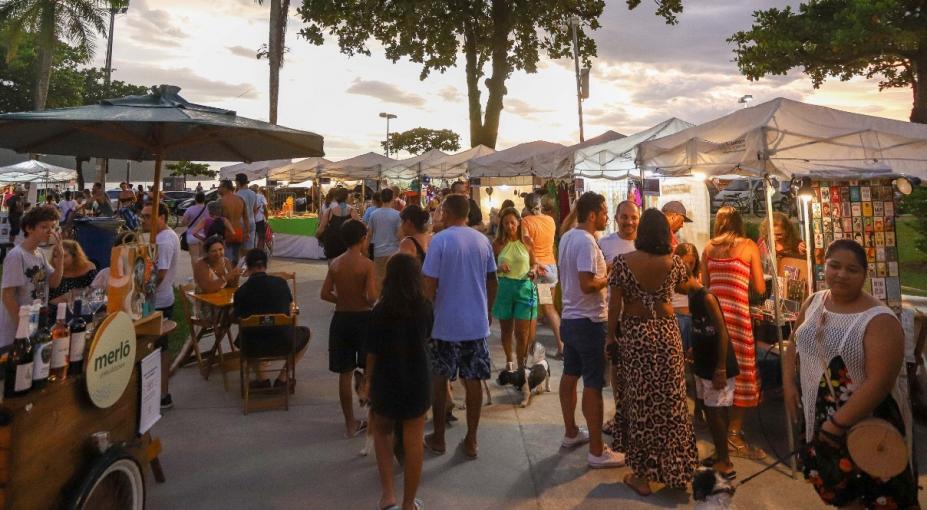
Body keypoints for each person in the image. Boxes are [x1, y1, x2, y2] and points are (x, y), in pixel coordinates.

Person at [785, 239, 916, 509]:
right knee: (840, 494)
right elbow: (793, 342)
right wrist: (788, 382)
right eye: (835, 266)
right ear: (825, 266)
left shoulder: (878, 319)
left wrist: (836, 425)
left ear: (864, 275)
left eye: (852, 269)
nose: (841, 274)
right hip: (819, 418)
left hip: (861, 424)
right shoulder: (814, 302)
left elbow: (880, 383)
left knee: (873, 495)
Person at [607, 208, 698, 494]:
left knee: (641, 402)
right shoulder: (674, 264)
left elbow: (614, 307)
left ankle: (642, 477)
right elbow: (689, 286)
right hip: (667, 334)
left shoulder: (622, 263)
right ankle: (677, 471)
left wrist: (611, 337)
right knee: (672, 403)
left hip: (637, 334)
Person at [422, 194, 497, 458]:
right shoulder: (482, 241)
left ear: (446, 212)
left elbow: (429, 284)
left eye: (441, 210)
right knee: (473, 379)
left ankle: (439, 437)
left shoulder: (439, 241)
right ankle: (471, 439)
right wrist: (487, 310)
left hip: (445, 323)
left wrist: (426, 317)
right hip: (475, 323)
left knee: (440, 379)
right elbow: (492, 281)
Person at [557, 192, 625, 469]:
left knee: (570, 375)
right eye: (605, 211)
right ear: (593, 214)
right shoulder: (585, 241)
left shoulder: (568, 237)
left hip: (571, 319)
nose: (608, 217)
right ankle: (597, 450)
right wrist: (610, 275)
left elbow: (581, 277)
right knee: (593, 385)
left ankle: (571, 432)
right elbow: (587, 284)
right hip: (589, 321)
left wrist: (603, 269)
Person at [366, 253, 432, 510]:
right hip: (417, 378)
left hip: (386, 377)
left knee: (382, 432)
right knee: (414, 440)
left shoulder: (380, 310)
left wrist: (368, 380)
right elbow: (428, 338)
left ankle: (388, 495)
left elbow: (372, 350)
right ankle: (408, 503)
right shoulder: (425, 307)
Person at [702, 206, 767, 459]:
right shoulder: (749, 246)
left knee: (719, 373)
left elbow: (707, 286)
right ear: (739, 223)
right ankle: (734, 433)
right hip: (738, 319)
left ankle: (721, 431)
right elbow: (760, 286)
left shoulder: (708, 248)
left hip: (715, 317)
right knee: (742, 374)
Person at [678, 242, 738, 480]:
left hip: (717, 364)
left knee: (717, 412)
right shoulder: (692, 297)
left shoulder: (706, 297)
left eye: (677, 284)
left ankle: (726, 461)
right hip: (703, 361)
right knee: (712, 412)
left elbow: (722, 332)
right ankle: (719, 454)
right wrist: (694, 347)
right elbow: (701, 327)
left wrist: (721, 367)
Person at [320, 219, 378, 437]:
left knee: (344, 374)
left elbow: (325, 293)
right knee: (370, 371)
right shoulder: (367, 265)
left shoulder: (335, 263)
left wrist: (343, 299)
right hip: (364, 320)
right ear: (363, 239)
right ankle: (373, 420)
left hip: (341, 319)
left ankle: (350, 423)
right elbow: (371, 297)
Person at [234, 249, 310, 391]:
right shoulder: (280, 283)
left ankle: (262, 379)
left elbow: (237, 318)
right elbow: (289, 310)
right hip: (283, 343)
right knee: (306, 333)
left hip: (252, 347)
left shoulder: (241, 292)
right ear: (265, 265)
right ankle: (283, 377)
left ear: (247, 267)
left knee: (248, 333)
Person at [0, 206, 63, 347]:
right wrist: (24, 331)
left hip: (35, 326)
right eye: (44, 227)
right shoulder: (17, 256)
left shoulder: (39, 253)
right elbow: (7, 296)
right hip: (15, 334)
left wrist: (60, 260)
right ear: (29, 228)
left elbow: (54, 283)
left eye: (53, 227)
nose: (50, 231)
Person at [492, 208, 537, 385]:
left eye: (512, 222)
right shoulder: (498, 244)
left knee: (522, 332)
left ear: (518, 223)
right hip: (504, 288)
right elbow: (489, 268)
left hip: (524, 288)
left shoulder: (526, 241)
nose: (510, 226)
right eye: (506, 223)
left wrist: (533, 271)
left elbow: (534, 263)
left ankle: (522, 367)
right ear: (502, 225)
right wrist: (498, 268)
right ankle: (509, 361)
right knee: (506, 329)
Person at [141, 202, 180, 409]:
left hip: (159, 301)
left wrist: (142, 292)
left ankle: (161, 393)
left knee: (156, 349)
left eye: (149, 216)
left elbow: (161, 273)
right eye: (143, 216)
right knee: (159, 348)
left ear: (162, 217)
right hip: (163, 299)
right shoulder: (168, 235)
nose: (144, 220)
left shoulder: (164, 241)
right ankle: (161, 393)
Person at [521, 193, 563, 358]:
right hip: (550, 269)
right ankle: (562, 346)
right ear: (540, 205)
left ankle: (530, 348)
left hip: (537, 269)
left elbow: (528, 246)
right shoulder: (550, 221)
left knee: (532, 310)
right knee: (549, 307)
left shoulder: (526, 222)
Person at [368, 188, 402, 289]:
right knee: (393, 280)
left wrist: (365, 249)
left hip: (378, 251)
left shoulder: (374, 214)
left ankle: (380, 301)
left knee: (379, 280)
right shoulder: (397, 215)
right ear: (393, 198)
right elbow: (400, 235)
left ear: (381, 198)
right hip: (394, 251)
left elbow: (369, 234)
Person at [317, 187, 357, 261]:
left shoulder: (329, 211)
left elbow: (321, 229)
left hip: (332, 244)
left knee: (333, 268)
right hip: (347, 244)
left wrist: (318, 235)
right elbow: (358, 228)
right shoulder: (352, 210)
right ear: (346, 198)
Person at [218, 179, 248, 262]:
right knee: (236, 258)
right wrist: (247, 232)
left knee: (225, 259)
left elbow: (218, 219)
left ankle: (229, 274)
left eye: (219, 187)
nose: (218, 189)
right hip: (238, 231)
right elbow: (246, 218)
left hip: (226, 232)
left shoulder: (221, 201)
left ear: (225, 188)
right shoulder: (240, 200)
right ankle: (235, 273)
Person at [182, 192, 209, 271]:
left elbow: (184, 222)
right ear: (204, 199)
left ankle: (196, 276)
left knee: (194, 257)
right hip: (204, 236)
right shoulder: (208, 209)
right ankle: (203, 274)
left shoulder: (190, 209)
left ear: (195, 199)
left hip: (192, 235)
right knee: (203, 256)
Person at [235, 173, 258, 251]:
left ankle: (242, 262)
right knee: (249, 248)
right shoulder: (253, 193)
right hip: (252, 221)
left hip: (241, 223)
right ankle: (248, 262)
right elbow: (255, 209)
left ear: (238, 182)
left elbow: (237, 212)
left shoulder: (237, 195)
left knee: (240, 249)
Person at [252, 185, 268, 251]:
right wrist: (267, 218)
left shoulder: (250, 197)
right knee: (261, 237)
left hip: (251, 219)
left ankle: (253, 251)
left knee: (252, 238)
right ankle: (259, 251)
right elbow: (265, 207)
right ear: (258, 190)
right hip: (259, 219)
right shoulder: (261, 196)